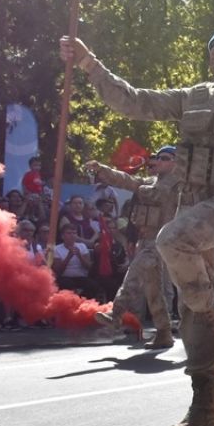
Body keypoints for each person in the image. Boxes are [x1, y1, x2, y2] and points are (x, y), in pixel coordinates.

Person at [61, 27, 214, 426]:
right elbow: (134, 101)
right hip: (192, 201)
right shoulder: (193, 96)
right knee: (191, 315)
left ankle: (213, 317)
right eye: (213, 44)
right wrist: (91, 64)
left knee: (169, 240)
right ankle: (205, 410)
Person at [88, 146, 180, 349]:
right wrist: (102, 170)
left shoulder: (178, 184)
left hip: (163, 240)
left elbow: (157, 195)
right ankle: (164, 333)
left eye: (165, 158)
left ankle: (116, 312)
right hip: (147, 240)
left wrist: (138, 187)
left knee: (133, 274)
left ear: (176, 162)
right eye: (158, 157)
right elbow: (127, 180)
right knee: (153, 290)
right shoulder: (152, 182)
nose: (158, 161)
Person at [51, 224, 96, 297]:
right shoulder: (57, 249)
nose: (72, 235)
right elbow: (58, 271)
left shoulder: (82, 246)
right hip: (65, 278)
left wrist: (79, 256)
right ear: (62, 236)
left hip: (81, 277)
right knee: (66, 284)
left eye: (74, 233)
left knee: (93, 286)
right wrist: (69, 256)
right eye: (69, 233)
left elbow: (89, 267)